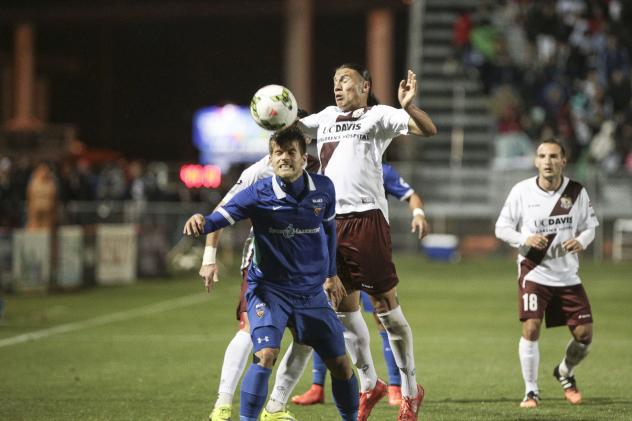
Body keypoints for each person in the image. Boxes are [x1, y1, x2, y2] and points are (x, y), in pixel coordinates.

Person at [184, 127, 359, 421]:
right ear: (271, 158)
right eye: (278, 153)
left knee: (341, 364)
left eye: (291, 152)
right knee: (265, 355)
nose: (284, 158)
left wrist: (331, 275)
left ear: (304, 158)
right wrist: (202, 221)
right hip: (269, 290)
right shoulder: (256, 194)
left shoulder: (324, 189)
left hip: (311, 291)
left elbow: (329, 231)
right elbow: (219, 218)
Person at [296, 63, 437, 421]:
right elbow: (291, 129)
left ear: (364, 85)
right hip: (330, 223)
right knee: (343, 309)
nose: (337, 87)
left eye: (344, 80)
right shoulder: (325, 117)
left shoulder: (377, 116)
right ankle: (369, 383)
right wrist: (274, 112)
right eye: (334, 81)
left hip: (367, 220)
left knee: (386, 309)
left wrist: (409, 107)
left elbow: (427, 129)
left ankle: (409, 390)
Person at [290, 163, 429, 408]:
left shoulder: (381, 169)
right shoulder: (328, 168)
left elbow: (411, 195)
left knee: (381, 315)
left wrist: (418, 214)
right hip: (337, 252)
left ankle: (396, 386)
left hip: (368, 247)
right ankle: (317, 386)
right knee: (330, 315)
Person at [204, 151, 319, 421]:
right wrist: (209, 258)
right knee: (248, 328)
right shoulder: (259, 171)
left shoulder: (319, 165)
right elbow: (222, 210)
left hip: (304, 267)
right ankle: (223, 404)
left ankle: (276, 406)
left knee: (307, 336)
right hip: (264, 264)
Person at [495, 138, 598, 408]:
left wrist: (582, 241)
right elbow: (501, 228)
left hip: (567, 275)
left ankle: (564, 371)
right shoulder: (522, 191)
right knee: (530, 327)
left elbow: (590, 227)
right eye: (542, 156)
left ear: (563, 161)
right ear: (535, 161)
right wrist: (524, 240)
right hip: (534, 271)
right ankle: (531, 391)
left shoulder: (576, 192)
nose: (547, 161)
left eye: (553, 156)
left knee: (584, 335)